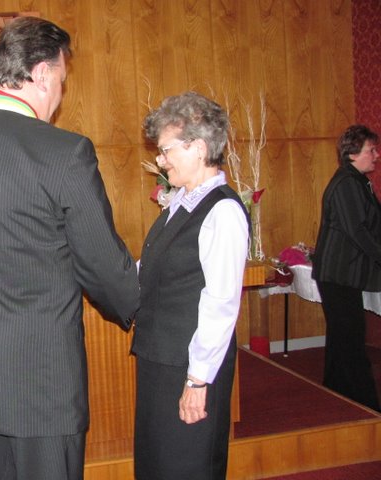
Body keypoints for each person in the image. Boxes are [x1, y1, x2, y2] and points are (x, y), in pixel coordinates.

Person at [0, 16, 139, 480]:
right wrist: (139, 308)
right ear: (40, 74)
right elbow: (101, 265)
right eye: (61, 79)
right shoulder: (63, 152)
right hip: (42, 385)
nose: (60, 93)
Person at [131, 92, 249, 479]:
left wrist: (197, 381)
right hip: (161, 360)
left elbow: (221, 303)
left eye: (166, 150)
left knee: (187, 464)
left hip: (190, 367)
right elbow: (151, 269)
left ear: (198, 148)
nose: (160, 161)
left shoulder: (223, 211)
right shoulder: (182, 202)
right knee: (158, 464)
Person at [312, 124, 381, 412]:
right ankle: (367, 403)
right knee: (351, 338)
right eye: (371, 150)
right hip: (338, 273)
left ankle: (336, 391)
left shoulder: (357, 181)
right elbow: (358, 231)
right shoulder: (347, 184)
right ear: (352, 154)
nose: (376, 155)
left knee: (343, 337)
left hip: (342, 273)